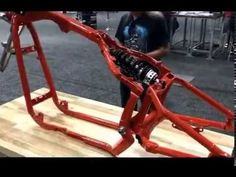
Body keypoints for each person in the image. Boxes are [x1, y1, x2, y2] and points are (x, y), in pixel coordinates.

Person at [115, 11, 170, 108]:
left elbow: (164, 49)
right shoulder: (125, 17)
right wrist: (122, 52)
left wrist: (140, 57)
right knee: (127, 107)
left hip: (147, 72)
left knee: (149, 108)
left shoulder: (156, 19)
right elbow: (118, 39)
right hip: (127, 71)